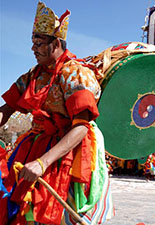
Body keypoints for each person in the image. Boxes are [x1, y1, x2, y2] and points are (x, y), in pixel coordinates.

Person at [0, 2, 114, 224]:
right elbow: (7, 109)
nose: (33, 49)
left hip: (70, 149)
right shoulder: (33, 76)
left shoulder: (76, 74)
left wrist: (42, 163)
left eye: (39, 43)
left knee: (61, 214)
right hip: (35, 144)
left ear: (56, 43)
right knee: (20, 207)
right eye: (33, 43)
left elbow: (81, 126)